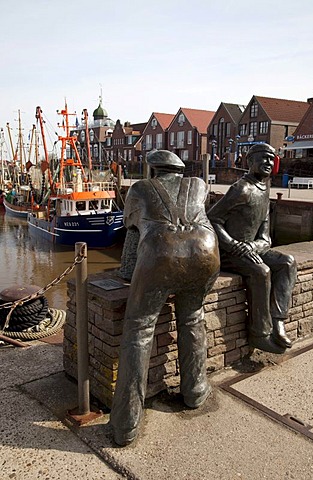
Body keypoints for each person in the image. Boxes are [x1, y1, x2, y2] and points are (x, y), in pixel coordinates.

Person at [110, 150, 220, 446]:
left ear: (154, 170)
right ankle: (195, 391)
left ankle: (126, 423)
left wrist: (129, 272)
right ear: (179, 171)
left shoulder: (140, 189)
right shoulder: (199, 184)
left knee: (139, 330)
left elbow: (131, 232)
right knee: (192, 317)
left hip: (161, 254)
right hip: (206, 251)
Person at [207, 143, 297, 355]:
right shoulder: (241, 189)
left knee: (287, 262)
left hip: (251, 248)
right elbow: (212, 219)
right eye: (263, 157)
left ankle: (278, 322)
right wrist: (233, 244)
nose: (267, 162)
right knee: (262, 272)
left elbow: (265, 234)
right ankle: (260, 334)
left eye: (271, 158)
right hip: (231, 253)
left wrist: (254, 246)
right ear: (250, 161)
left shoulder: (265, 189)